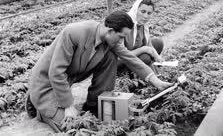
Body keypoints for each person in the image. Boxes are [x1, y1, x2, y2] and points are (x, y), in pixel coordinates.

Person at [26, 11, 172, 132]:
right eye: (121, 37)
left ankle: (94, 105)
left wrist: (156, 81)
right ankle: (38, 106)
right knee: (73, 128)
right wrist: (68, 106)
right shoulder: (74, 33)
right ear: (110, 31)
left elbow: (129, 58)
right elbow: (56, 72)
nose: (121, 41)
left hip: (66, 81)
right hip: (46, 83)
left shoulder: (109, 39)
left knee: (110, 56)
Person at [117, 0, 164, 73]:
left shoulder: (143, 25)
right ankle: (128, 74)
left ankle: (151, 68)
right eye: (143, 12)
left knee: (158, 42)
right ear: (136, 10)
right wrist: (143, 49)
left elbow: (149, 45)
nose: (145, 16)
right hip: (119, 60)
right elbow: (121, 55)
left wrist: (157, 56)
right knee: (145, 57)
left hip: (133, 55)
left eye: (149, 13)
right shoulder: (124, 24)